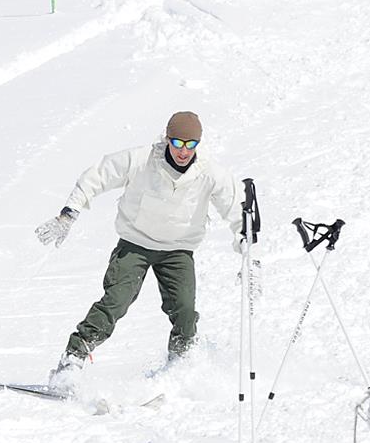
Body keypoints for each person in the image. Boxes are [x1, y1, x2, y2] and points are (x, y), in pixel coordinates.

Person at [37, 111, 240, 378]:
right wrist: (68, 214)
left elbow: (237, 211)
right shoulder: (142, 159)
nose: (183, 151)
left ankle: (181, 366)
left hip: (178, 250)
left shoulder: (210, 173)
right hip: (135, 243)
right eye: (177, 143)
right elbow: (97, 176)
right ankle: (72, 360)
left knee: (185, 310)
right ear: (168, 139)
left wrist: (251, 255)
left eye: (190, 145)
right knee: (116, 301)